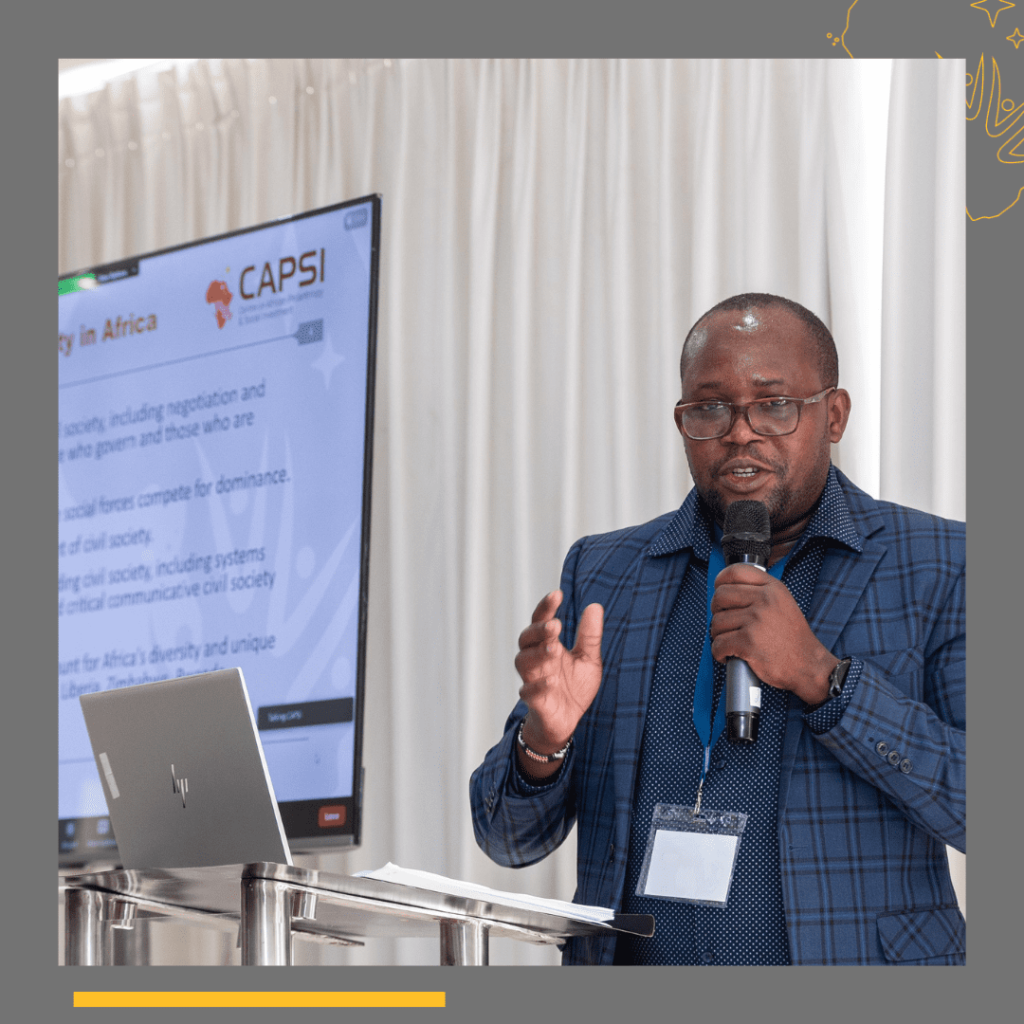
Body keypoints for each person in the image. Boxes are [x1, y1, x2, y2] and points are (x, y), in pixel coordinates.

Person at [470, 293, 965, 965]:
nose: (739, 433)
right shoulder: (607, 572)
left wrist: (825, 679)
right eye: (710, 409)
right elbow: (506, 838)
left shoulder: (940, 564)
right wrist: (544, 742)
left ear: (835, 415)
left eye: (774, 404)